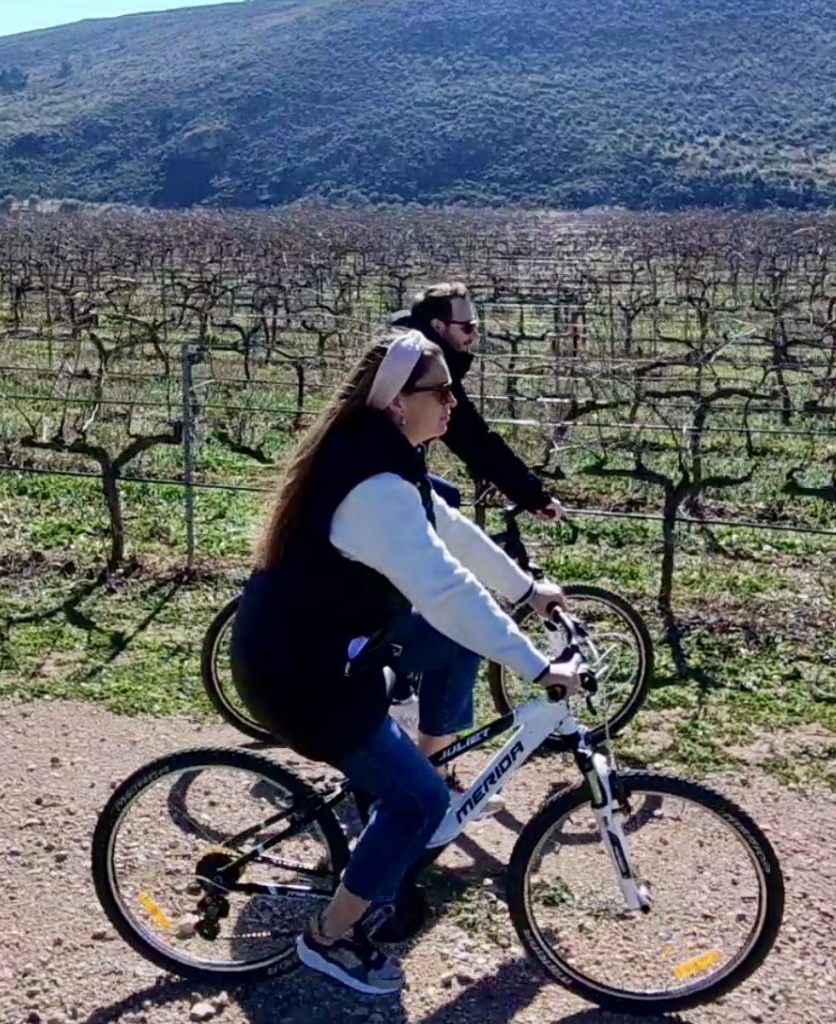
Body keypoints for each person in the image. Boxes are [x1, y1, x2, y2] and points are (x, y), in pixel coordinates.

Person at [230, 328, 582, 996]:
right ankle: (329, 939)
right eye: (441, 391)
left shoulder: (386, 459)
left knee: (453, 646)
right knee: (418, 802)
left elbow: (451, 533)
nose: (454, 402)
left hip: (331, 648)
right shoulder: (371, 488)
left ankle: (424, 774)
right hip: (303, 678)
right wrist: (539, 668)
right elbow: (445, 589)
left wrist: (526, 590)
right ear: (397, 403)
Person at [391, 282, 566, 519]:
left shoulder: (406, 350)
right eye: (467, 327)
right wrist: (534, 497)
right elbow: (476, 442)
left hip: (391, 470)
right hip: (381, 476)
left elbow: (475, 441)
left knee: (448, 497)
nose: (474, 335)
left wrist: (532, 496)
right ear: (438, 326)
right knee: (442, 503)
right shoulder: (422, 372)